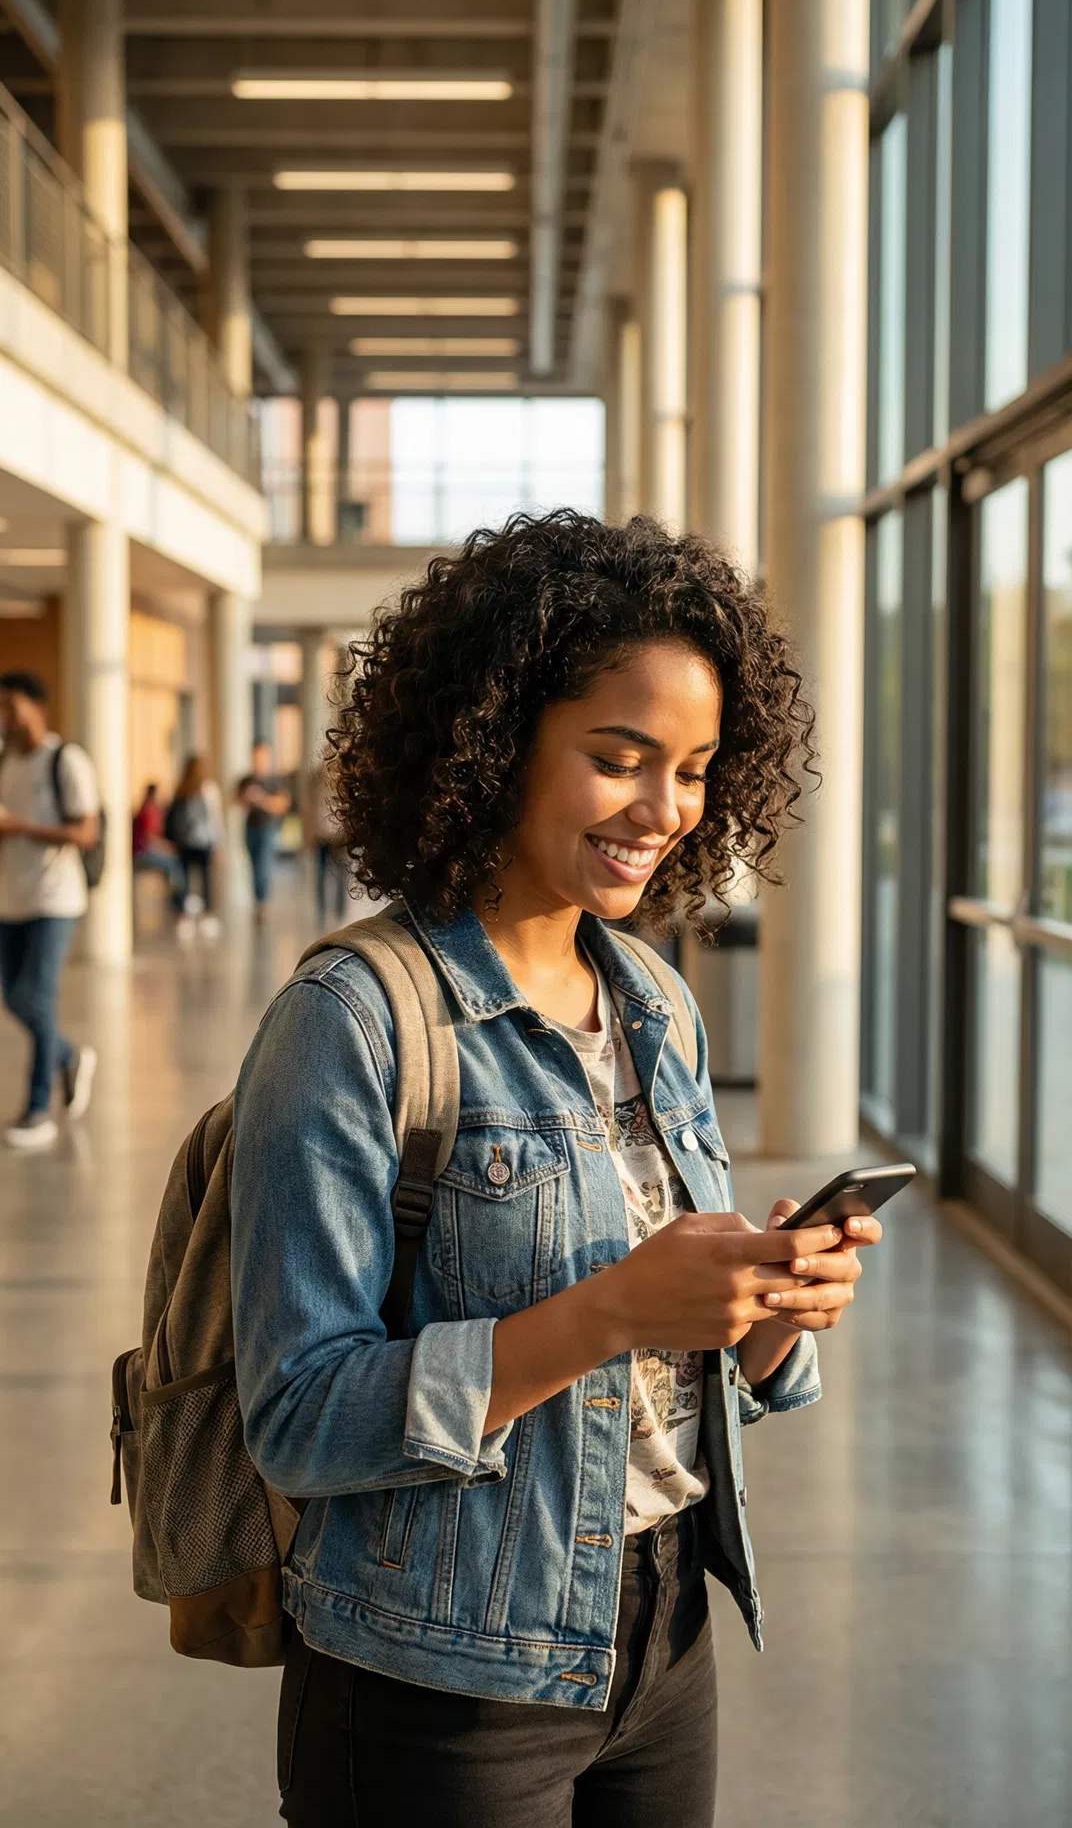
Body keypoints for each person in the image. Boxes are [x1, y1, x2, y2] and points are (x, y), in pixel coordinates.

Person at [230, 512, 885, 1827]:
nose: (666, 810)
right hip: (438, 1675)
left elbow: (659, 1371)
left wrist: (762, 1315)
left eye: (693, 769)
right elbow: (299, 1417)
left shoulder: (653, 1000)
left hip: (663, 1632)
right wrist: (611, 1312)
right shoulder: (355, 1022)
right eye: (619, 759)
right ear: (493, 742)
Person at [0, 670, 98, 1151]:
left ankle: (38, 1109)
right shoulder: (5, 761)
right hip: (10, 899)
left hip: (55, 899)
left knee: (36, 994)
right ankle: (68, 1056)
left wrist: (21, 827)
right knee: (15, 998)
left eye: (12, 706)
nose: (6, 716)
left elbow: (86, 832)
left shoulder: (66, 760)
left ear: (37, 707)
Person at [165, 755, 224, 939]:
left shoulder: (181, 788)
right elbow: (215, 819)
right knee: (205, 880)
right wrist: (218, 843)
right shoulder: (209, 789)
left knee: (185, 880)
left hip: (184, 843)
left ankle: (185, 916)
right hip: (203, 843)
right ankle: (207, 914)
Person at [235, 740, 290, 921]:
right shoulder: (246, 780)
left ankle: (263, 902)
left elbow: (283, 805)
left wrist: (262, 800)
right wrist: (247, 798)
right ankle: (257, 901)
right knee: (253, 866)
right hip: (250, 828)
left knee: (263, 866)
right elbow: (235, 802)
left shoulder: (275, 780)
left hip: (268, 828)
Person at [304, 754, 348, 925]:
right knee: (321, 875)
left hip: (339, 837)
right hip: (321, 835)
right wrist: (309, 836)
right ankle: (321, 911)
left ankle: (340, 912)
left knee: (341, 874)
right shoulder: (317, 783)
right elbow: (311, 810)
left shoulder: (345, 782)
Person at [132, 784, 180, 897]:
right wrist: (167, 847)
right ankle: (179, 899)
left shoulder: (148, 810)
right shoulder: (148, 812)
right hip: (141, 854)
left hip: (142, 852)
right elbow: (150, 839)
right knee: (173, 863)